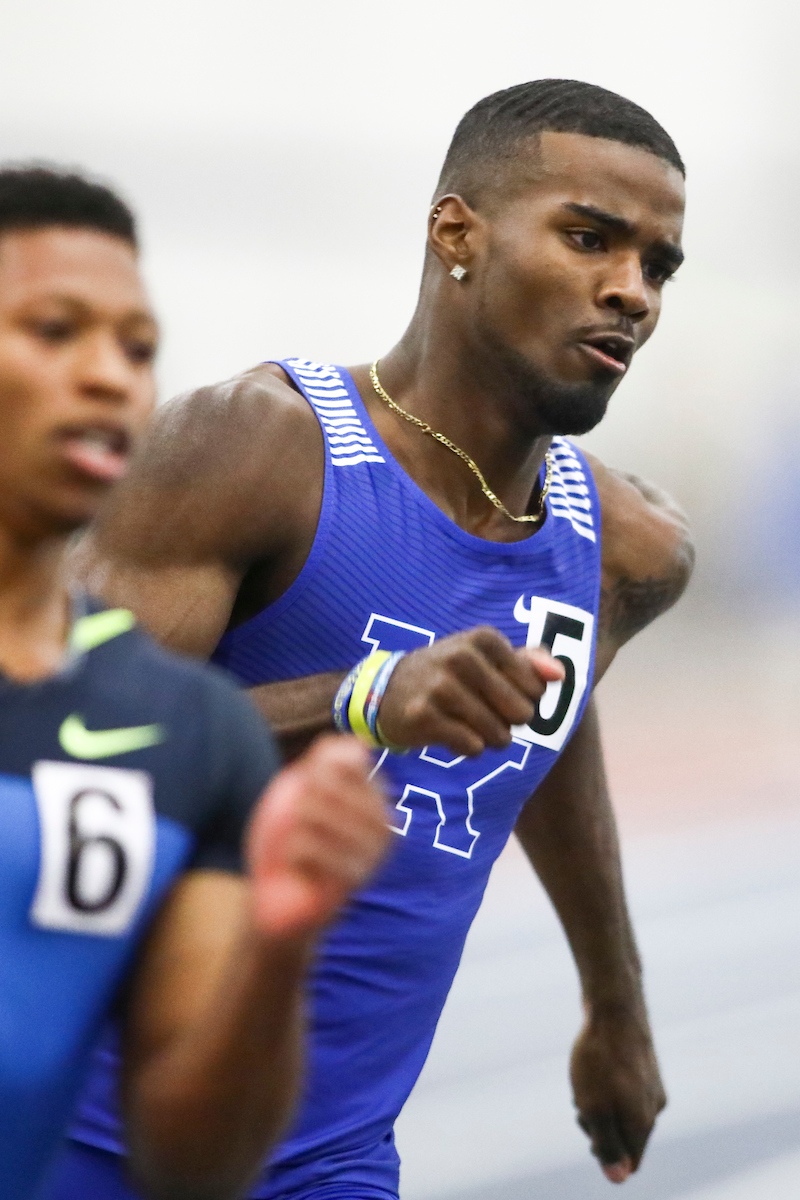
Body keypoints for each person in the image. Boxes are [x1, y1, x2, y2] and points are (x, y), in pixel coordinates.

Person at [64, 79, 695, 1198]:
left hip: (333, 1159)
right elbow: (67, 746)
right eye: (590, 238)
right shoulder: (256, 447)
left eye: (656, 265)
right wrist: (356, 699)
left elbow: (540, 737)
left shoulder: (626, 551)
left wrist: (615, 1001)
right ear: (458, 232)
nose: (629, 292)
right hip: (87, 1130)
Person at [0, 165, 389, 1200]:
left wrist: (281, 939)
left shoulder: (187, 729)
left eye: (136, 348)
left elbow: (192, 1167)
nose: (108, 377)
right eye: (53, 330)